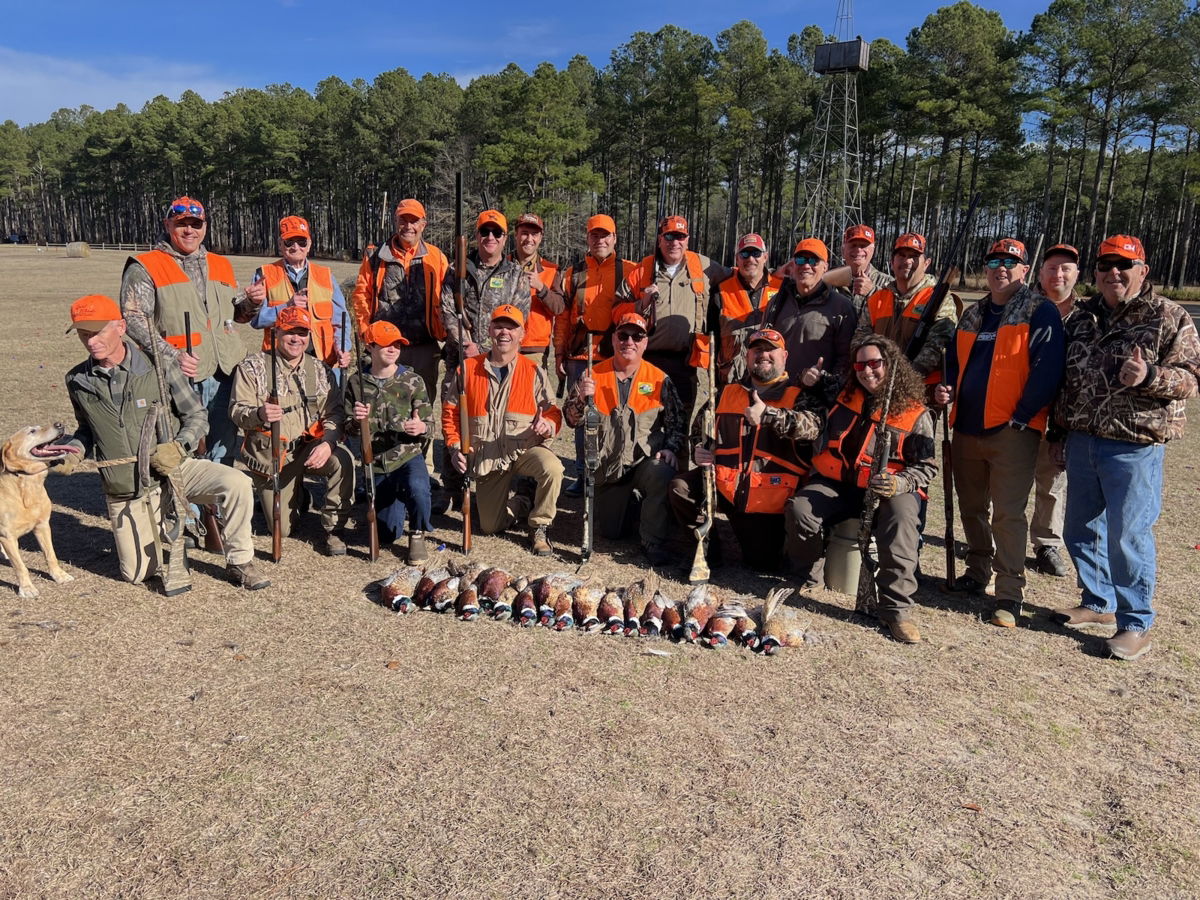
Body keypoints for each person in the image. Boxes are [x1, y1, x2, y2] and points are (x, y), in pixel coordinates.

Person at [1052, 234, 1200, 661]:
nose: (1113, 272)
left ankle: (1135, 623)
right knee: (1079, 530)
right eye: (1105, 265)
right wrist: (1058, 434)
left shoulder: (1168, 316)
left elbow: (1192, 378)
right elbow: (1066, 380)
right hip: (1083, 439)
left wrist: (1150, 376)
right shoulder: (1082, 318)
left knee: (1127, 536)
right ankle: (1097, 602)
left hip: (1134, 445)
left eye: (1123, 265)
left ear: (1143, 271)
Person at [62, 295, 269, 591]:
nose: (91, 342)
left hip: (175, 468)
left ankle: (240, 562)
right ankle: (164, 533)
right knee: (136, 573)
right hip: (128, 485)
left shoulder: (160, 366)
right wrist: (73, 451)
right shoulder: (77, 380)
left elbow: (196, 415)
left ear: (120, 327)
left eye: (98, 332)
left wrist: (179, 446)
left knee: (237, 483)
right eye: (84, 335)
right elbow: (86, 430)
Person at [933, 238, 1065, 628]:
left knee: (1008, 515)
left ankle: (1009, 594)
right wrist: (946, 389)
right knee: (972, 507)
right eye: (993, 261)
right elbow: (954, 364)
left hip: (1013, 431)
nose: (1000, 268)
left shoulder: (1039, 310)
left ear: (1025, 269)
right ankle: (977, 573)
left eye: (1010, 261)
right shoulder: (973, 314)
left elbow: (1048, 369)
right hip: (966, 427)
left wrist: (1022, 417)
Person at [786, 335, 936, 643]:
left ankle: (896, 611)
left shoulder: (916, 412)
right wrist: (807, 378)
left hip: (889, 489)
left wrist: (899, 483)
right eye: (859, 366)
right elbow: (815, 382)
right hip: (841, 484)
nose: (867, 371)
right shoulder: (844, 392)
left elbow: (927, 467)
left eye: (874, 363)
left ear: (890, 363)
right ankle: (808, 576)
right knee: (800, 510)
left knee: (902, 520)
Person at [120, 196, 256, 467]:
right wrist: (172, 355)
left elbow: (236, 316)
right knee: (185, 447)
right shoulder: (145, 266)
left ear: (205, 227)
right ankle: (188, 496)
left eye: (196, 224)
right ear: (167, 225)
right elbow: (133, 319)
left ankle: (219, 493)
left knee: (224, 445)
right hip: (180, 374)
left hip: (226, 371)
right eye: (182, 223)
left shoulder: (221, 263)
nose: (189, 230)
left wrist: (253, 301)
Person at [669, 329, 813, 571]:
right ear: (747, 356)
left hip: (769, 500)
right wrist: (701, 449)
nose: (763, 355)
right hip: (726, 487)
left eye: (770, 350)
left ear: (785, 356)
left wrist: (769, 416)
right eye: (757, 350)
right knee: (680, 488)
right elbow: (698, 429)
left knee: (762, 564)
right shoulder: (727, 392)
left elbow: (812, 428)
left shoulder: (799, 395)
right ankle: (707, 550)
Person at [229, 307, 354, 556]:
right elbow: (236, 410)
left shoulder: (320, 370)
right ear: (276, 332)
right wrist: (259, 414)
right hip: (272, 456)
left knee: (343, 459)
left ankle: (334, 528)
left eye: (302, 333)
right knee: (283, 530)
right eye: (290, 332)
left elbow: (335, 414)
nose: (297, 339)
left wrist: (328, 442)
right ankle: (299, 495)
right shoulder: (252, 367)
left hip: (309, 448)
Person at [563, 312, 685, 565]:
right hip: (607, 467)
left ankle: (652, 542)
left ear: (645, 343)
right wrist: (581, 398)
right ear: (614, 339)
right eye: (623, 335)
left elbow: (677, 422)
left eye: (637, 336)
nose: (629, 341)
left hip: (643, 462)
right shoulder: (592, 375)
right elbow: (571, 420)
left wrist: (671, 448)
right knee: (612, 532)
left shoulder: (659, 379)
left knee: (662, 472)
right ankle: (635, 506)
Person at [442, 305, 564, 556]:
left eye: (511, 327)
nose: (504, 332)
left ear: (522, 334)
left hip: (524, 450)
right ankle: (521, 504)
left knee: (553, 468)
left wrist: (548, 424)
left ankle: (539, 526)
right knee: (489, 526)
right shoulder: (467, 369)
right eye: (499, 326)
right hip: (488, 458)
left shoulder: (533, 371)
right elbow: (450, 413)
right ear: (489, 330)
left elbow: (553, 411)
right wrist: (455, 448)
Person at [614, 214, 726, 416]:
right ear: (660, 239)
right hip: (648, 361)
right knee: (646, 421)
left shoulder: (703, 266)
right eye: (669, 236)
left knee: (681, 424)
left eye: (680, 236)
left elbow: (739, 275)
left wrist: (774, 276)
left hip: (685, 364)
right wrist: (641, 304)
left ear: (687, 239)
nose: (674, 242)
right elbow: (616, 312)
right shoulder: (643, 270)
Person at [554, 214, 631, 496]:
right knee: (580, 418)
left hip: (615, 355)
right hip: (579, 356)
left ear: (614, 238)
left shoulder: (629, 271)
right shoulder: (572, 273)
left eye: (605, 235)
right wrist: (559, 353)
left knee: (615, 417)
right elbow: (563, 318)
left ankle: (614, 472)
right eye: (595, 235)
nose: (600, 240)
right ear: (587, 238)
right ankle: (583, 474)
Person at [345, 321, 434, 564]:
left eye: (397, 344)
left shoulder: (413, 380)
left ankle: (417, 533)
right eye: (386, 344)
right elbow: (348, 428)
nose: (393, 349)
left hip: (406, 454)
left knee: (418, 487)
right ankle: (397, 501)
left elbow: (431, 426)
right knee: (387, 534)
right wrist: (356, 421)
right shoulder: (356, 382)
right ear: (370, 346)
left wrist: (421, 428)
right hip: (375, 460)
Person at [349, 198, 451, 402]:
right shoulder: (376, 255)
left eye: (414, 221)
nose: (408, 226)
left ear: (423, 224)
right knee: (382, 404)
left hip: (423, 346)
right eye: (403, 220)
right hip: (384, 346)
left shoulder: (436, 257)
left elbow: (447, 299)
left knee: (422, 405)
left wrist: (446, 333)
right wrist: (365, 331)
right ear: (395, 222)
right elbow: (362, 294)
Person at [243, 215, 351, 379]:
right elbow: (256, 321)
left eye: (301, 242)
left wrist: (343, 348)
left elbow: (341, 321)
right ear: (280, 244)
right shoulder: (264, 275)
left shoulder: (326, 276)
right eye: (289, 242)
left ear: (309, 244)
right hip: (280, 365)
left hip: (324, 363)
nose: (296, 247)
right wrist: (287, 306)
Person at [1029, 243, 1081, 577]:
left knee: (1052, 481)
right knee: (1004, 480)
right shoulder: (1023, 307)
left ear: (1076, 274)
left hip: (1061, 416)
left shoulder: (1088, 316)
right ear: (1040, 273)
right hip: (1022, 409)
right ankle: (990, 542)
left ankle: (1046, 543)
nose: (1058, 274)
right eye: (1051, 268)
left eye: (1065, 269)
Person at [854, 232, 958, 379]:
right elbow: (859, 340)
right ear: (892, 262)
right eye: (901, 255)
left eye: (914, 256)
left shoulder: (940, 300)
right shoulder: (876, 299)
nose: (907, 261)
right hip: (878, 382)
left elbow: (938, 345)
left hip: (922, 388)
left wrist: (908, 378)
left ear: (926, 263)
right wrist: (874, 371)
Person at [441, 210, 534, 365]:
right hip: (460, 361)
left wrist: (482, 349)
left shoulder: (517, 275)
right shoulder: (456, 270)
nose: (490, 237)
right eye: (485, 232)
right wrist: (466, 347)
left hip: (501, 361)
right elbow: (448, 312)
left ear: (505, 238)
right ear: (477, 236)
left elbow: (517, 322)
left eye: (497, 233)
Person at [760, 237, 856, 383]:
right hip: (776, 389)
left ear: (825, 267)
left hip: (814, 393)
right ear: (793, 265)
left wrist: (828, 385)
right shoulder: (776, 302)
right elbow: (762, 346)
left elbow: (846, 359)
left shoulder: (842, 307)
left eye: (813, 261)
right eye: (800, 260)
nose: (806, 265)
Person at [709, 233, 784, 386]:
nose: (750, 259)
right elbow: (712, 344)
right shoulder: (720, 292)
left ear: (765, 257)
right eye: (744, 254)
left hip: (772, 384)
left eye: (756, 253)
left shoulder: (782, 289)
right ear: (737, 259)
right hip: (731, 385)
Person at [511, 213, 566, 364]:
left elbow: (559, 308)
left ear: (541, 237)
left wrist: (541, 288)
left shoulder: (552, 270)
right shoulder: (502, 266)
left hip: (534, 350)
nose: (529, 239)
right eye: (524, 233)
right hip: (503, 344)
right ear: (516, 235)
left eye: (534, 234)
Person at [823, 224, 892, 316]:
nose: (858, 250)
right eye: (853, 245)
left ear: (873, 251)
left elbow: (897, 315)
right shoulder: (827, 280)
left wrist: (873, 292)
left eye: (863, 246)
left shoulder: (888, 283)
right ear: (843, 250)